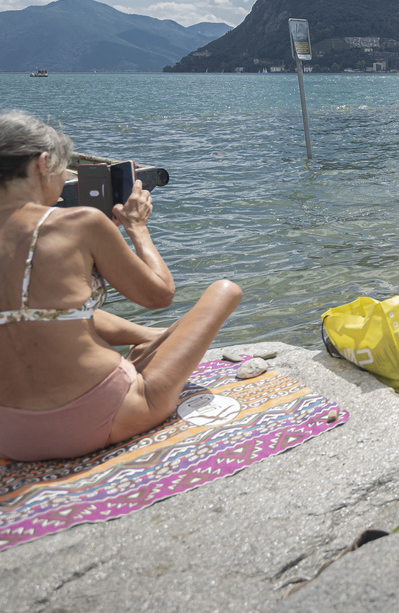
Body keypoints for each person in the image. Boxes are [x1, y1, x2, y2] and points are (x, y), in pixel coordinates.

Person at [0, 111, 241, 462]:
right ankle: (153, 342)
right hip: (102, 416)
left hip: (12, 435)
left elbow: (42, 312)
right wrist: (137, 228)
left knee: (58, 309)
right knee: (225, 290)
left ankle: (149, 338)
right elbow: (159, 294)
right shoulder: (81, 222)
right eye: (63, 170)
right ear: (42, 164)